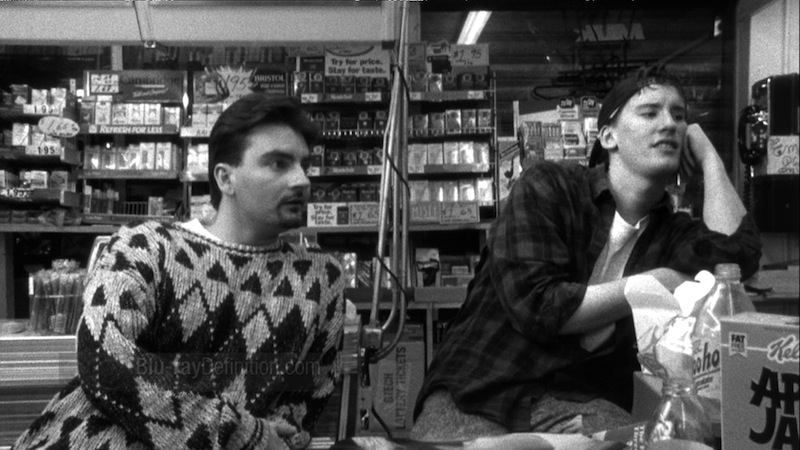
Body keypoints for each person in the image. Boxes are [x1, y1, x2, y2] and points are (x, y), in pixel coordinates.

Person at [411, 66, 762, 440]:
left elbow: (735, 262)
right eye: (650, 113)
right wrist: (655, 283)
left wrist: (709, 158)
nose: (669, 124)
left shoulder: (672, 233)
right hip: (483, 385)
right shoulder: (549, 186)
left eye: (679, 116)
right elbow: (539, 307)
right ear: (608, 136)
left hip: (579, 399)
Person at [13, 94, 346, 450]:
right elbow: (102, 357)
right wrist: (235, 432)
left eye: (304, 165)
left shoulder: (321, 279)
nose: (302, 180)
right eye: (279, 163)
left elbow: (304, 400)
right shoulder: (147, 246)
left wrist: (269, 436)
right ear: (225, 178)